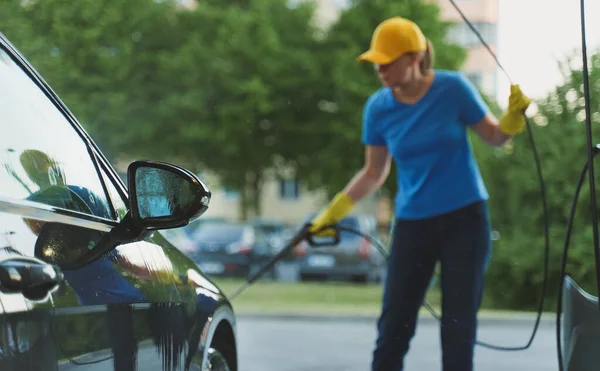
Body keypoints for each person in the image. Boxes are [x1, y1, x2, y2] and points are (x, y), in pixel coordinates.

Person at [307, 16, 531, 371]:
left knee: (458, 327)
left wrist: (511, 121)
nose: (379, 68)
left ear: (413, 58)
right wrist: (335, 210)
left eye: (387, 60)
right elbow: (373, 172)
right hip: (413, 224)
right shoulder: (378, 108)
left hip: (465, 220)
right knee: (394, 324)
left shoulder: (453, 88)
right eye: (376, 61)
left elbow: (494, 137)